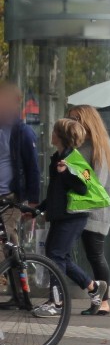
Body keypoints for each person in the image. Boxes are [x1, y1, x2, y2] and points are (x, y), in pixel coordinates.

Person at [34, 118, 106, 317]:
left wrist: (66, 173)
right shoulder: (57, 158)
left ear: (60, 136)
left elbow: (83, 187)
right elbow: (55, 192)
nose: (51, 134)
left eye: (54, 131)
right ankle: (93, 287)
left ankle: (56, 303)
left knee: (55, 256)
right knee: (59, 256)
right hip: (61, 215)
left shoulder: (75, 159)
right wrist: (38, 209)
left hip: (73, 217)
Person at [68, 105, 110, 316]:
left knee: (95, 255)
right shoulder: (77, 144)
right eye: (70, 119)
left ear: (88, 121)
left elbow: (96, 181)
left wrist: (80, 173)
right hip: (77, 209)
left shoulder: (99, 146)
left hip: (95, 210)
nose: (72, 123)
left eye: (76, 119)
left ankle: (104, 301)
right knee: (63, 252)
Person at [0, 81, 40, 254]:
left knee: (6, 240)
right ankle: (16, 278)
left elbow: (33, 168)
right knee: (9, 244)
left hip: (9, 197)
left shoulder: (22, 132)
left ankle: (13, 279)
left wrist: (32, 203)